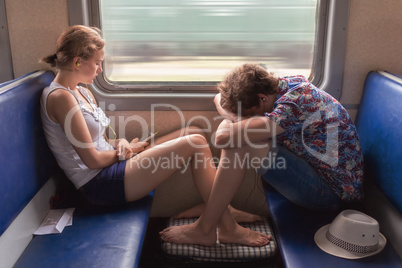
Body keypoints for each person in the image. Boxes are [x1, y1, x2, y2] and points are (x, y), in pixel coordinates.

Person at [40, 26, 270, 247]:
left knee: (195, 132)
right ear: (78, 61)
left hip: (111, 166)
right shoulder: (61, 98)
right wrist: (124, 154)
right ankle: (223, 227)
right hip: (98, 184)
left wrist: (120, 143)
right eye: (97, 63)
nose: (100, 69)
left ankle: (221, 209)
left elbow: (100, 141)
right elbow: (91, 160)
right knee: (196, 143)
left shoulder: (81, 91)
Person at [160, 63, 364, 245]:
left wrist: (230, 117)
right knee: (239, 136)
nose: (249, 118)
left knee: (241, 141)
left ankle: (206, 227)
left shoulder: (293, 105)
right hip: (316, 173)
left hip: (330, 193)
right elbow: (219, 100)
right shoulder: (283, 86)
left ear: (262, 98)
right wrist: (237, 119)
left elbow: (222, 139)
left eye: (250, 113)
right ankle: (222, 214)